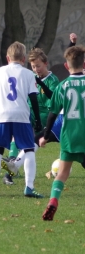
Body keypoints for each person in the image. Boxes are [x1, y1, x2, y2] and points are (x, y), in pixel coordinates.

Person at [2, 33, 78, 175]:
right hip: (67, 122)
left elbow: (53, 105)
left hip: (65, 121)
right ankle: (15, 164)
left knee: (70, 154)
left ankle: (15, 164)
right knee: (35, 140)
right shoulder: (73, 79)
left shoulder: (63, 83)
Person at [0, 41, 43, 198]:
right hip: (21, 116)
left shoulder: (0, 71)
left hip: (3, 116)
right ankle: (29, 187)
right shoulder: (28, 74)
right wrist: (37, 120)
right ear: (24, 59)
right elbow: (33, 99)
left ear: (7, 57)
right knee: (29, 149)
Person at [40, 45, 85, 220]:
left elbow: (52, 115)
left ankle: (53, 201)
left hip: (69, 136)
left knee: (62, 173)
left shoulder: (62, 86)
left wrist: (45, 136)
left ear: (66, 66)